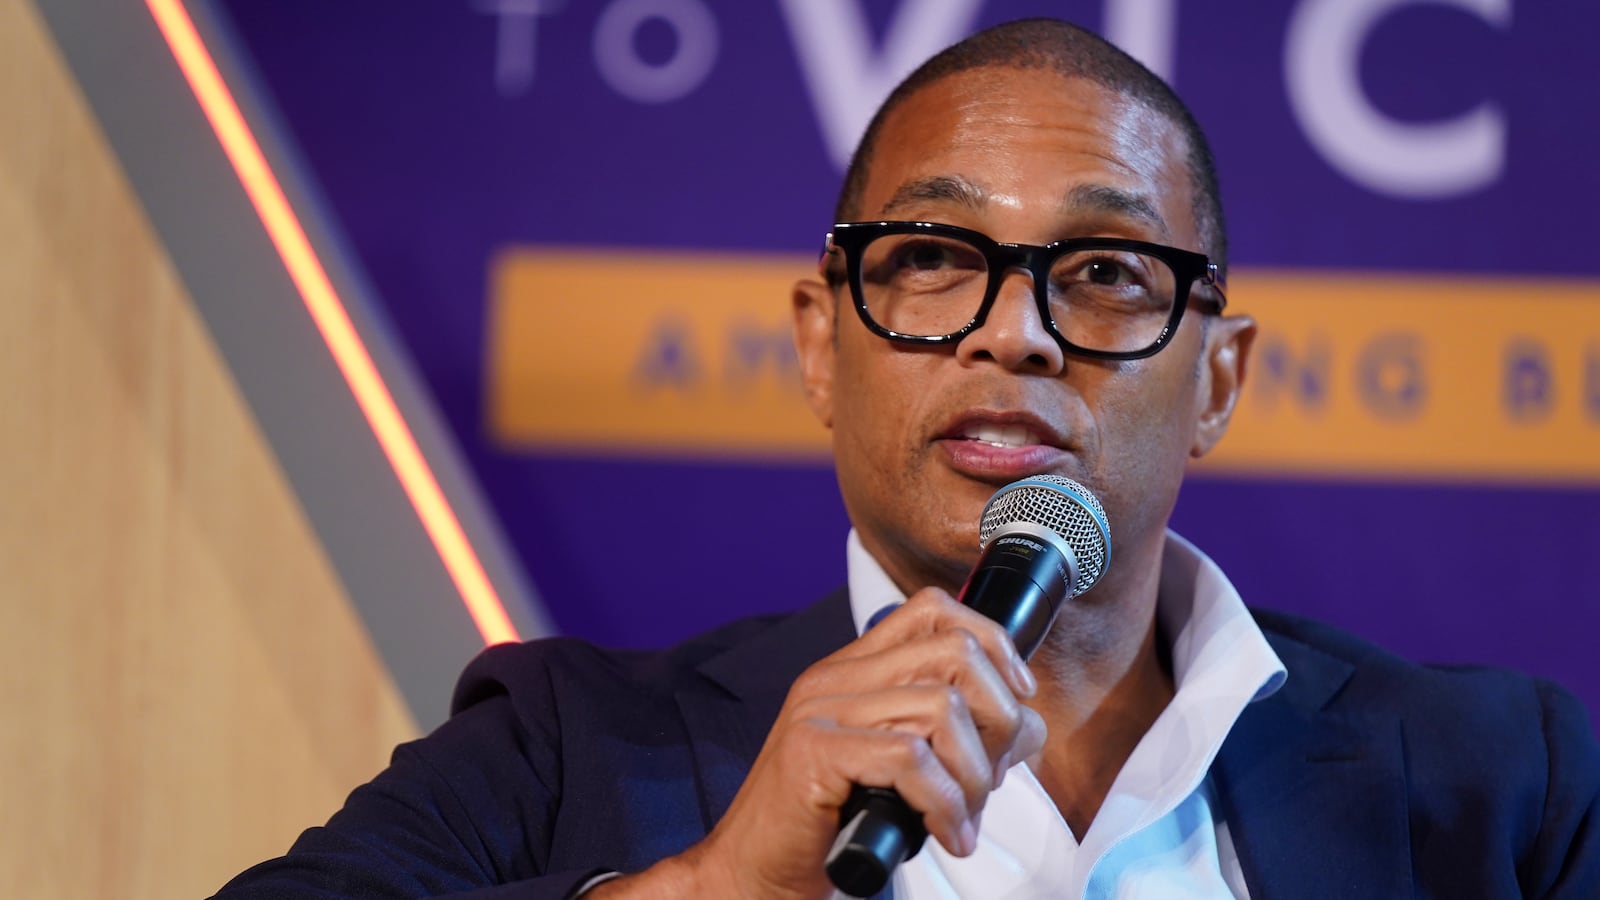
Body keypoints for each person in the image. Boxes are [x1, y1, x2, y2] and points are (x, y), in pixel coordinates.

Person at [214, 17, 1600, 899]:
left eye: (1107, 270)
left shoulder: (1503, 786)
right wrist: (712, 892)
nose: (1014, 335)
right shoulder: (571, 743)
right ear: (821, 344)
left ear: (1218, 378)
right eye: (935, 260)